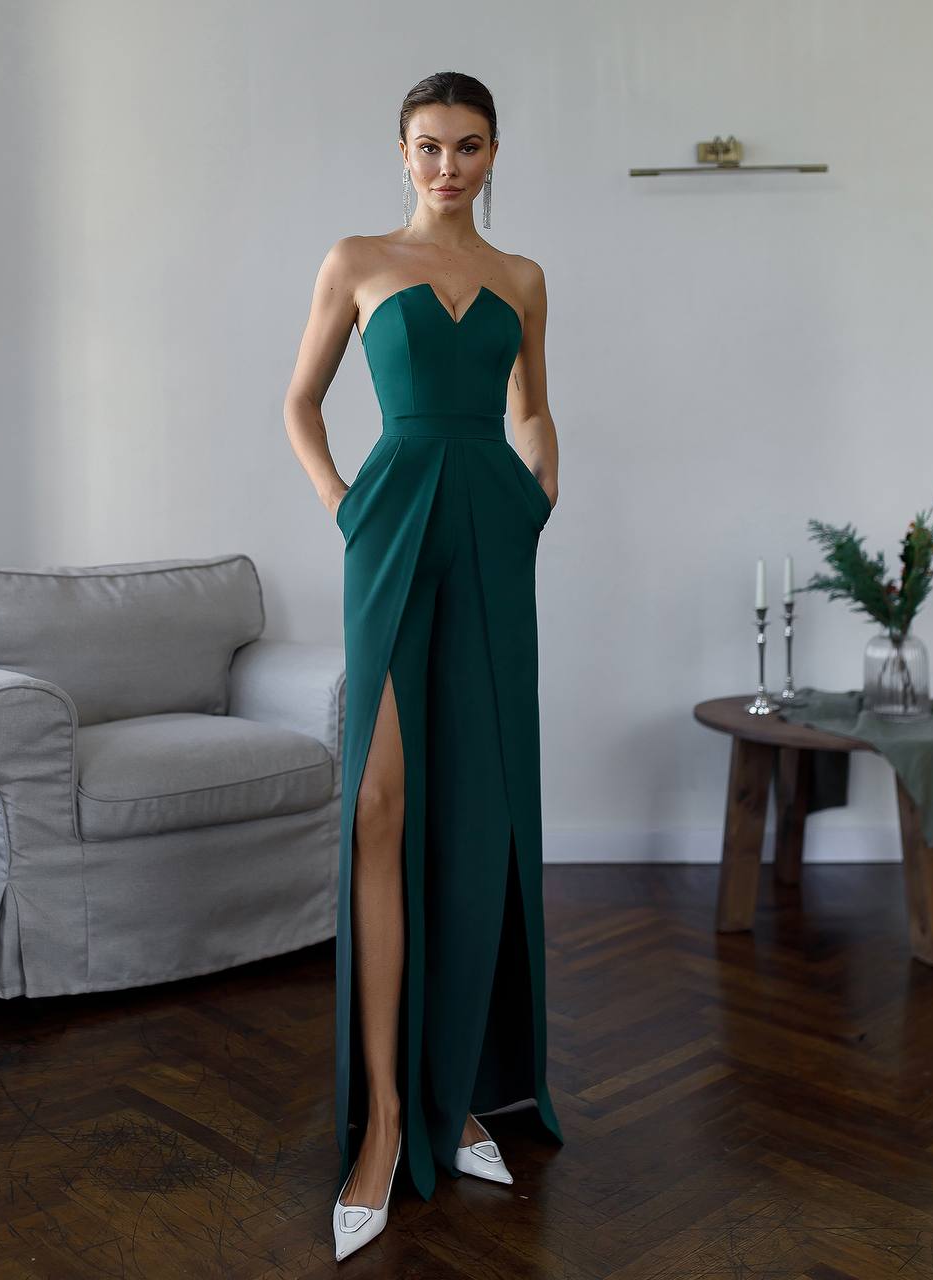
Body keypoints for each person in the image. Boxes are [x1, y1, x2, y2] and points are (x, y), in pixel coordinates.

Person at [283, 70, 562, 1262]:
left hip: (491, 529)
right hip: (391, 524)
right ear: (401, 152)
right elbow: (300, 402)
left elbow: (532, 407)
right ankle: (386, 1119)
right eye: (429, 145)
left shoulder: (522, 278)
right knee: (381, 807)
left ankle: (457, 1095)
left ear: (494, 155)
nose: (448, 166)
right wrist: (345, 505)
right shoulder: (355, 260)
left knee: (476, 808)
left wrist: (538, 491)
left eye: (469, 146)